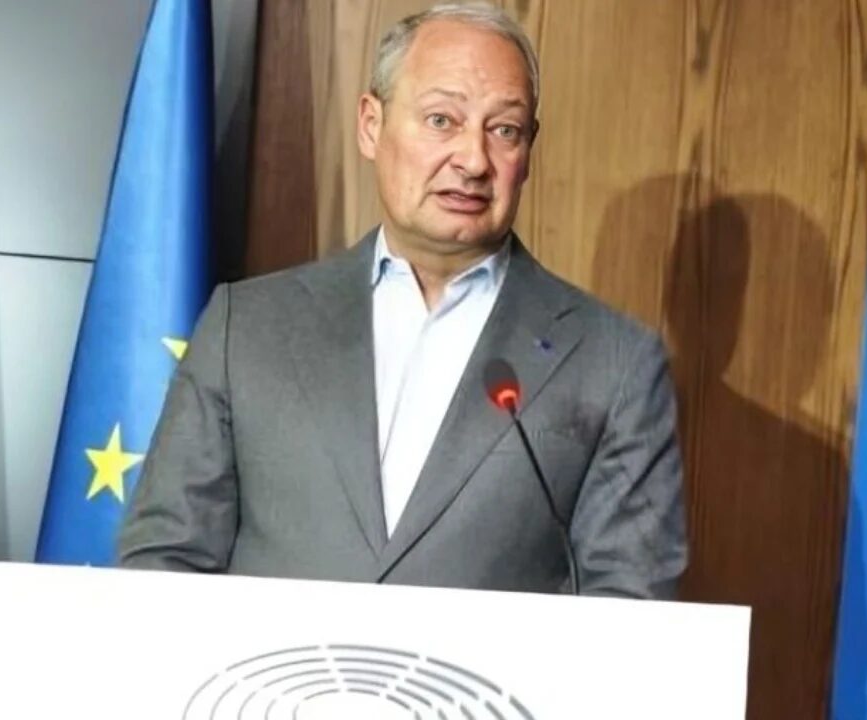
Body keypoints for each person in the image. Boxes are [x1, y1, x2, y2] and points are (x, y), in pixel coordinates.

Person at [118, 2, 686, 599]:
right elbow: (164, 564)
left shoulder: (615, 363)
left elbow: (630, 610)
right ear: (372, 125)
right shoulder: (246, 327)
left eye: (505, 130)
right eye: (442, 120)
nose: (474, 160)